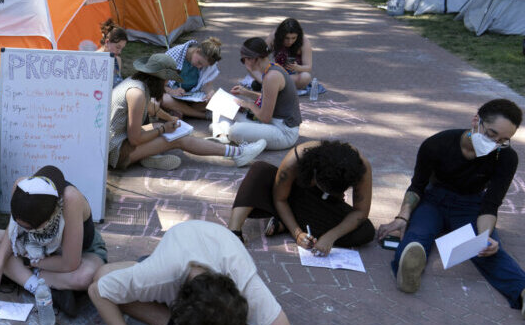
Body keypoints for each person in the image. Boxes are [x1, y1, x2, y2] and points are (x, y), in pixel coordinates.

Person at [89, 221, 301, 325]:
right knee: (101, 277)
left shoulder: (246, 283)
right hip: (174, 253)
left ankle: (136, 270)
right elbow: (96, 291)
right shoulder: (158, 278)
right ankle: (141, 266)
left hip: (212, 246)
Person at [377, 99, 525, 315]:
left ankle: (521, 290)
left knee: (487, 249)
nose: (495, 143)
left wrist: (484, 236)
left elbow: (491, 204)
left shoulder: (507, 157)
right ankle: (407, 272)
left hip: (471, 205)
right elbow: (417, 186)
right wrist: (402, 218)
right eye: (491, 134)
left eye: (503, 140)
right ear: (476, 121)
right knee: (417, 237)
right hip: (433, 200)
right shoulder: (437, 143)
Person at [0, 166, 108, 317]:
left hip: (76, 253)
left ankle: (16, 275)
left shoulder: (71, 199)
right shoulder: (22, 187)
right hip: (32, 249)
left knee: (86, 277)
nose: (25, 229)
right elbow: (13, 233)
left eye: (31, 228)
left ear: (50, 218)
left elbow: (70, 263)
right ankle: (39, 287)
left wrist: (28, 263)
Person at [109, 54, 266, 171]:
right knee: (179, 139)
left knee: (158, 125)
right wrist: (164, 129)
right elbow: (135, 139)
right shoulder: (137, 94)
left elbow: (151, 108)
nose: (167, 84)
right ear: (159, 79)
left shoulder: (136, 83)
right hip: (117, 154)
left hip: (116, 144)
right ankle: (238, 153)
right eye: (167, 80)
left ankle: (148, 155)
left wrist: (169, 118)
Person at [228, 140, 374, 250]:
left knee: (365, 231)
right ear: (315, 172)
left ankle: (285, 221)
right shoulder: (297, 157)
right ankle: (233, 233)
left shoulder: (361, 168)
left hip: (320, 206)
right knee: (260, 171)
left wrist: (331, 237)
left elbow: (360, 212)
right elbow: (280, 199)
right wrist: (297, 233)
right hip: (289, 195)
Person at [214, 37, 302, 151]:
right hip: (274, 123)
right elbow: (270, 98)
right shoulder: (271, 69)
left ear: (252, 59)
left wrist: (248, 104)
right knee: (225, 109)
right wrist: (246, 93)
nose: (244, 63)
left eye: (243, 60)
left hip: (284, 131)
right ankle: (223, 133)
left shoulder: (271, 77)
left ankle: (223, 132)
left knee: (236, 131)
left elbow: (265, 117)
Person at [160, 37, 223, 119]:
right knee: (165, 100)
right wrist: (172, 91)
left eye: (203, 66)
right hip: (172, 96)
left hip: (191, 98)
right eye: (199, 62)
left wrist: (210, 93)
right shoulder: (174, 54)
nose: (199, 67)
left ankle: (180, 110)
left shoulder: (207, 63)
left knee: (214, 100)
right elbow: (158, 84)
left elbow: (208, 85)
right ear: (197, 51)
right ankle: (203, 116)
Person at [267, 18, 317, 94]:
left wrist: (297, 67)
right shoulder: (274, 36)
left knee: (306, 77)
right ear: (281, 35)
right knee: (255, 67)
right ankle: (274, 84)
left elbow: (308, 67)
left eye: (294, 38)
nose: (290, 41)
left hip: (294, 76)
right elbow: (261, 54)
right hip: (277, 73)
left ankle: (273, 85)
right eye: (287, 38)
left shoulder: (304, 42)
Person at [96, 20, 127, 85]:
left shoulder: (117, 60)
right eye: (118, 47)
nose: (120, 52)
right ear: (107, 42)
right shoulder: (93, 60)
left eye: (122, 48)